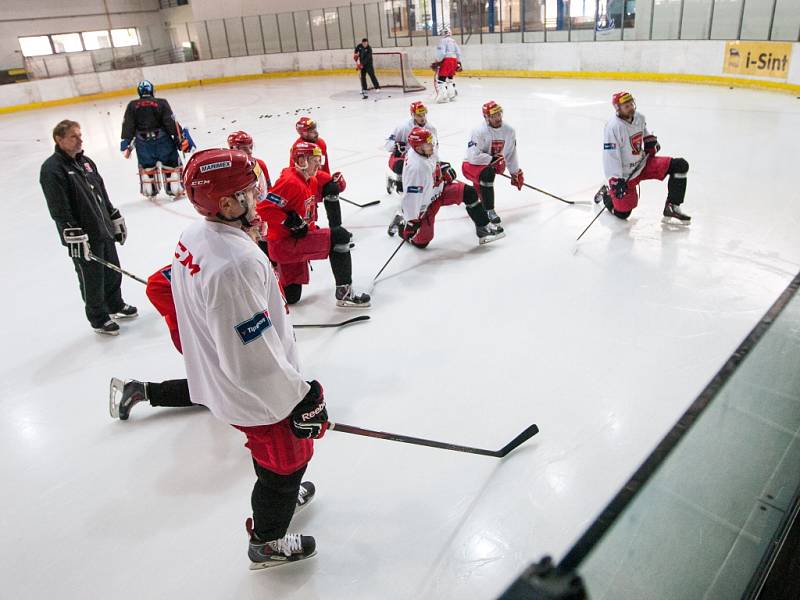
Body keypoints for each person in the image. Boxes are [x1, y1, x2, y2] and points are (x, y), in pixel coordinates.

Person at [174, 148, 328, 568]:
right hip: (257, 397)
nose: (259, 196)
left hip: (226, 382)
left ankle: (278, 499)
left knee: (277, 460)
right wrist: (301, 396)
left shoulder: (197, 235)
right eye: (249, 191)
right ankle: (267, 540)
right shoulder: (235, 265)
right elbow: (253, 361)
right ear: (225, 204)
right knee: (287, 461)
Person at [40, 119, 137, 336]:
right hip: (83, 236)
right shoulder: (52, 169)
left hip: (103, 229)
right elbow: (59, 209)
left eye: (80, 135)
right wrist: (74, 234)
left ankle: (115, 305)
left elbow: (101, 193)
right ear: (59, 139)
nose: (80, 140)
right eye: (74, 136)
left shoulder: (86, 162)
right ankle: (98, 318)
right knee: (92, 278)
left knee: (112, 270)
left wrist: (114, 217)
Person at [259, 142, 370, 308]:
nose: (319, 163)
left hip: (293, 239)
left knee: (291, 297)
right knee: (339, 236)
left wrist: (335, 182)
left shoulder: (308, 179)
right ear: (302, 160)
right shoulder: (290, 183)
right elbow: (263, 208)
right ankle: (345, 293)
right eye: (315, 160)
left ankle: (270, 286)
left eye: (319, 159)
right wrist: (287, 220)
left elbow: (326, 183)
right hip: (285, 244)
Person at [399, 127, 504, 248]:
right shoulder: (416, 169)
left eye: (430, 141)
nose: (432, 145)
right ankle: (400, 224)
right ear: (418, 148)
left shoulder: (425, 151)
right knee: (423, 242)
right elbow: (411, 198)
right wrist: (411, 220)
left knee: (469, 192)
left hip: (439, 189)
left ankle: (484, 228)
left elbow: (434, 162)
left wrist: (442, 168)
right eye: (427, 144)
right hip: (426, 205)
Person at [599, 91, 691, 223]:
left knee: (680, 165)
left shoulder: (639, 117)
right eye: (627, 106)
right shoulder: (613, 127)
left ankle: (672, 206)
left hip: (643, 164)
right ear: (618, 109)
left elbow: (644, 135)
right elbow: (610, 156)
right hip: (626, 175)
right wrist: (615, 180)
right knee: (623, 214)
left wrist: (651, 142)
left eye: (631, 104)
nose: (631, 107)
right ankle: (606, 193)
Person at [120, 80, 195, 198]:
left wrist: (126, 142)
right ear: (152, 90)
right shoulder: (162, 103)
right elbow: (170, 123)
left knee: (147, 167)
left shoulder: (132, 105)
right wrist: (180, 137)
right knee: (171, 163)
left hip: (143, 144)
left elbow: (128, 125)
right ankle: (174, 187)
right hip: (163, 142)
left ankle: (149, 187)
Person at [461, 101, 525, 227]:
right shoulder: (478, 131)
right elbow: (472, 157)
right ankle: (489, 210)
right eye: (493, 116)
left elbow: (510, 153)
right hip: (470, 165)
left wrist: (515, 172)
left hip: (489, 164)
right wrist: (491, 160)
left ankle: (475, 193)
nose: (497, 118)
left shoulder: (509, 130)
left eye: (499, 114)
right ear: (486, 117)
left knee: (493, 172)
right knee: (487, 173)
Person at [385, 101, 439, 236]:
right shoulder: (403, 127)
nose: (422, 117)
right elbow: (388, 144)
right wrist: (396, 146)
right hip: (404, 159)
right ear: (412, 114)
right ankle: (395, 184)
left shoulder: (431, 128)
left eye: (423, 114)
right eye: (418, 115)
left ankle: (403, 210)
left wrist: (437, 164)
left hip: (422, 158)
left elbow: (435, 148)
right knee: (410, 187)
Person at [432, 26, 462, 103]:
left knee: (441, 79)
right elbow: (458, 52)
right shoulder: (453, 41)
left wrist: (438, 61)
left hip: (446, 61)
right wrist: (458, 62)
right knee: (450, 79)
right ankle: (452, 96)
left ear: (443, 33)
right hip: (454, 60)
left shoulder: (442, 41)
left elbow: (441, 53)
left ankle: (443, 98)